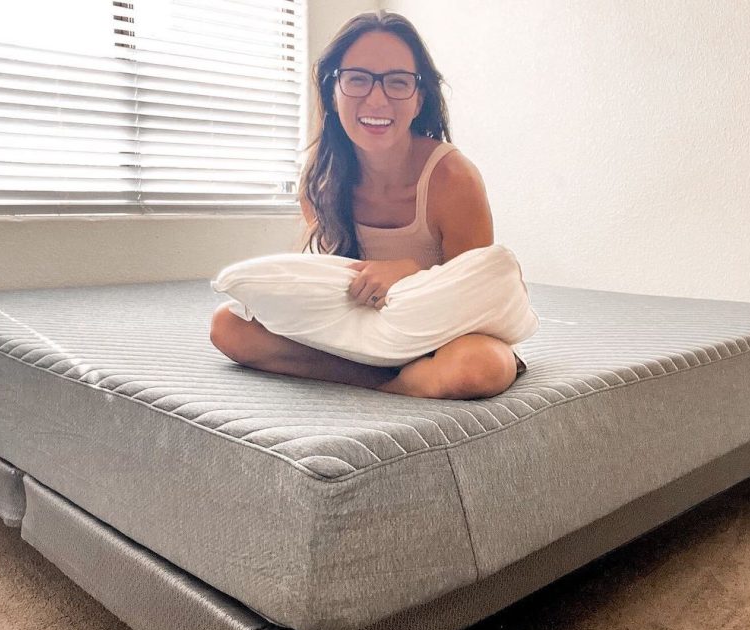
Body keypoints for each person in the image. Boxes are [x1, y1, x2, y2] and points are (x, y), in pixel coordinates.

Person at [210, 10, 523, 399]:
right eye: (358, 79)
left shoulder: (452, 178)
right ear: (333, 90)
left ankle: (394, 379)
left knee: (481, 366)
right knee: (228, 326)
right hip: (360, 336)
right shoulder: (319, 180)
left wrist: (408, 274)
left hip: (441, 337)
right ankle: (393, 384)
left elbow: (474, 299)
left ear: (419, 96)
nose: (377, 99)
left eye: (397, 82)